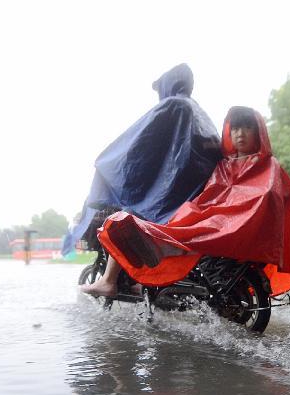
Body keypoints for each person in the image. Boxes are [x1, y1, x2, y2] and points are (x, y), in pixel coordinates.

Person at [81, 106, 290, 298]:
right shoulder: (225, 165)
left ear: (259, 132)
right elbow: (210, 197)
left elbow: (265, 198)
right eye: (235, 128)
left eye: (247, 128)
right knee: (165, 226)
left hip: (227, 227)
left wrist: (215, 217)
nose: (240, 133)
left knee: (158, 229)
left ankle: (134, 271)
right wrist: (199, 213)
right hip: (213, 221)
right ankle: (149, 274)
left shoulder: (268, 165)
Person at [62, 64, 222, 256]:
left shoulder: (172, 106)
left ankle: (109, 281)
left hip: (170, 197)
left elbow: (137, 142)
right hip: (193, 194)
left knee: (125, 219)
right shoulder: (198, 112)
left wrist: (107, 160)